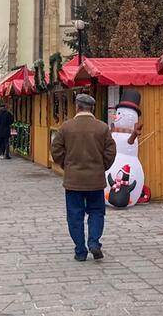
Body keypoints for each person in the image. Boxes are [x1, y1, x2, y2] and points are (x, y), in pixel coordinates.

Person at [50, 93, 117, 262]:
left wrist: (66, 165)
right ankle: (94, 242)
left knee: (75, 215)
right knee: (96, 212)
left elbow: (56, 150)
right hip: (95, 180)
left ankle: (80, 250)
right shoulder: (102, 128)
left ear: (77, 107)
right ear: (92, 108)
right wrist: (102, 166)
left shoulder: (66, 127)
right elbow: (110, 151)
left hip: (73, 181)